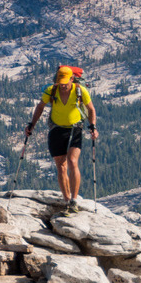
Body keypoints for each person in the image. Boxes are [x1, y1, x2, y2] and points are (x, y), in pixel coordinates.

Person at [24, 66, 98, 209]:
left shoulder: (80, 90)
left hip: (75, 128)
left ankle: (74, 200)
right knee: (61, 166)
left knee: (72, 161)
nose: (63, 85)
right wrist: (32, 125)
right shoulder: (51, 90)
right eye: (60, 82)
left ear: (72, 79)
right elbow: (40, 107)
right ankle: (66, 200)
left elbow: (91, 109)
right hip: (56, 128)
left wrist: (93, 126)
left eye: (65, 82)